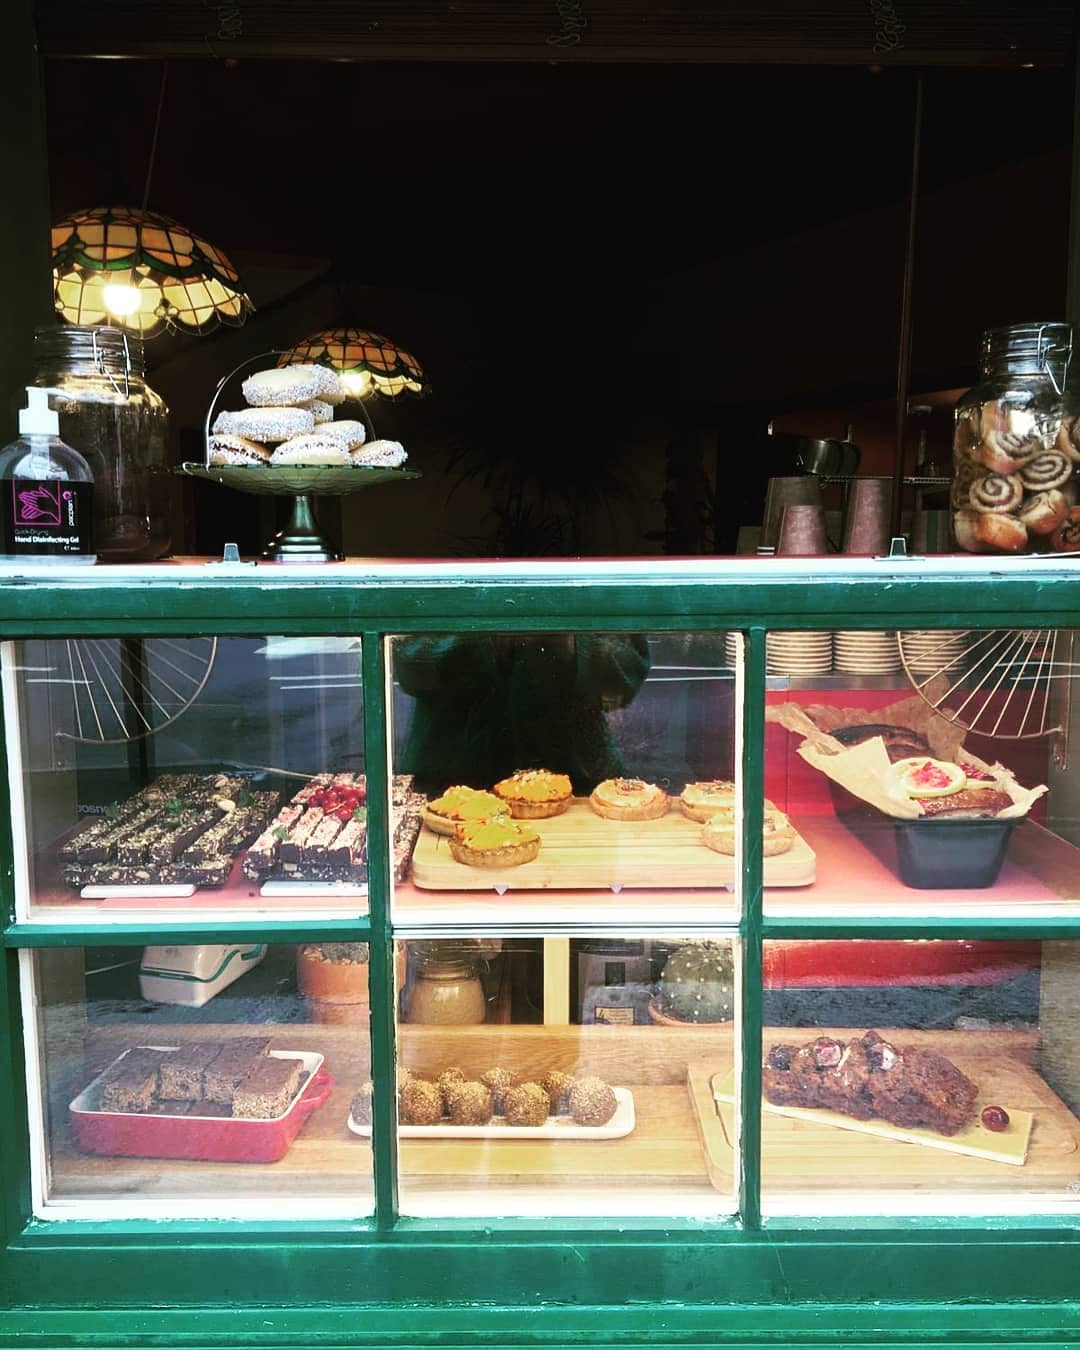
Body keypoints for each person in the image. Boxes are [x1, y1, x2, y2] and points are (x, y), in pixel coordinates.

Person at [393, 632, 650, 794]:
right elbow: (407, 662)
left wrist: (567, 639)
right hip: (446, 785)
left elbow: (625, 673)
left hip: (580, 788)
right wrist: (489, 636)